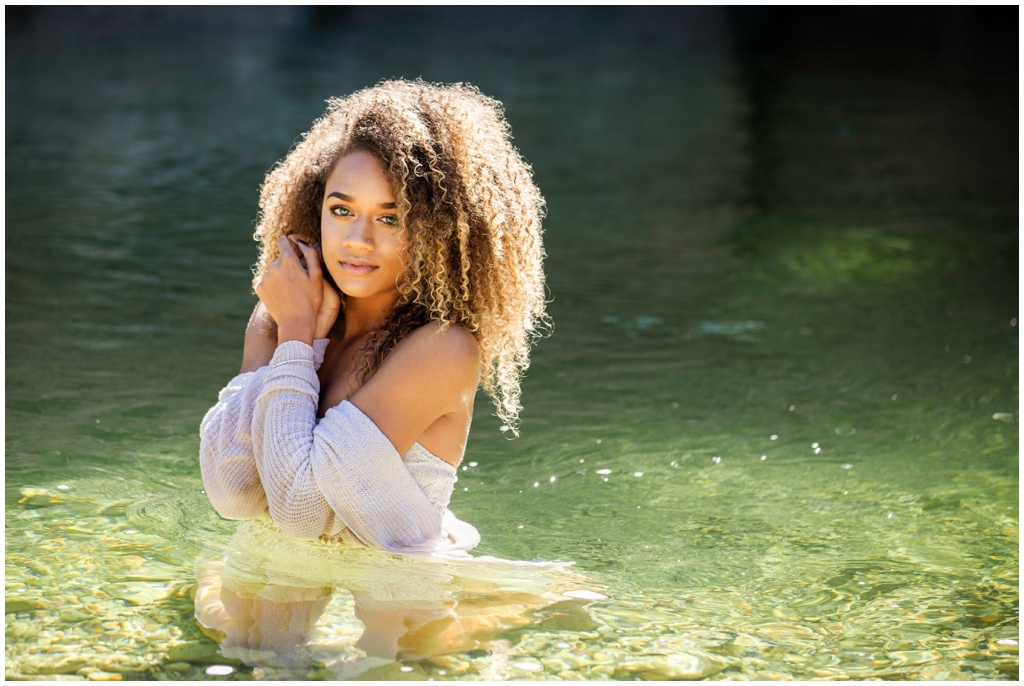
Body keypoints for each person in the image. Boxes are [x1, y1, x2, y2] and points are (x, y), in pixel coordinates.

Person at [194, 80, 597, 670]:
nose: (357, 241)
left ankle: (529, 601)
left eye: (392, 217)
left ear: (438, 228)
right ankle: (214, 586)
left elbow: (302, 512)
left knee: (407, 660)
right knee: (244, 641)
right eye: (341, 209)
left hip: (397, 563)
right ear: (314, 207)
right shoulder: (287, 314)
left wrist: (298, 338)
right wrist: (287, 335)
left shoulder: (442, 347)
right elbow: (232, 494)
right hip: (294, 549)